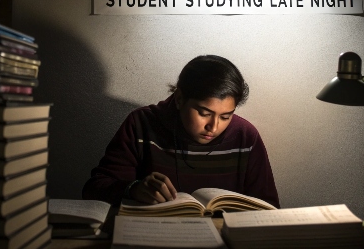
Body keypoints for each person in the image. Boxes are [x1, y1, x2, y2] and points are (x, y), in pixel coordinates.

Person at [82, 55, 280, 208]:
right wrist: (133, 189)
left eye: (226, 116)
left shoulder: (246, 136)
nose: (214, 126)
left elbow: (268, 207)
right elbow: (94, 189)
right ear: (179, 99)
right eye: (204, 113)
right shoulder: (141, 124)